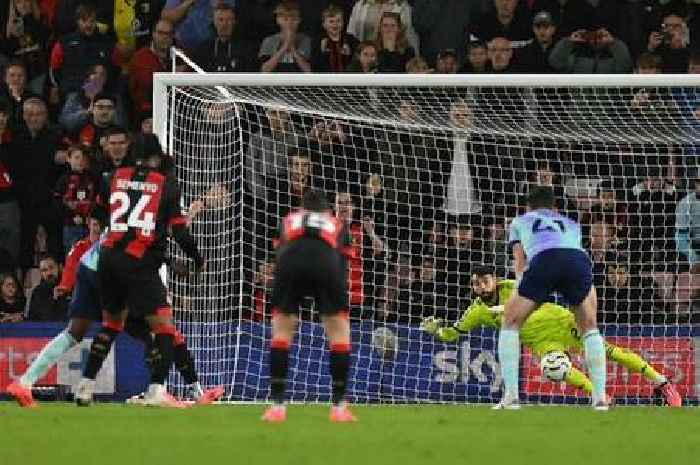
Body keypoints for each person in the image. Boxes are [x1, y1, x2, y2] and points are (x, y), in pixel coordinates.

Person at [7, 215, 224, 408]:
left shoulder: (131, 209)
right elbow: (145, 244)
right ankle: (168, 392)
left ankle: (25, 383)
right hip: (115, 272)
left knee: (75, 332)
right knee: (160, 330)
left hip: (90, 266)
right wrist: (173, 261)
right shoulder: (150, 220)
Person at [420, 266, 681, 407]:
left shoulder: (513, 286)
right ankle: (600, 396)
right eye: (476, 283)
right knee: (555, 369)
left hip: (558, 321)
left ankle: (662, 384)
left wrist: (503, 308)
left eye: (485, 281)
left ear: (494, 280)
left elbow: (529, 299)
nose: (481, 286)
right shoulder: (476, 311)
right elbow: (454, 333)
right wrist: (438, 330)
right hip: (540, 342)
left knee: (606, 352)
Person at [73, 134, 205, 407]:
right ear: (157, 157)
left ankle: (84, 387)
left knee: (111, 324)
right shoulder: (165, 185)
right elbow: (179, 230)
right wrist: (197, 258)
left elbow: (97, 214)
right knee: (165, 328)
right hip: (139, 263)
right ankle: (157, 390)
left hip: (107, 258)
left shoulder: (113, 177)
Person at [499, 186, 607, 410]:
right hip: (578, 262)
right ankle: (599, 398)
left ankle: (511, 397)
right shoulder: (572, 224)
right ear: (555, 208)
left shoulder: (520, 221)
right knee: (590, 327)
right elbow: (575, 252)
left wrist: (523, 291)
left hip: (544, 260)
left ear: (528, 207)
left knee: (510, 322)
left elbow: (519, 261)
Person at [261, 189, 356, 423]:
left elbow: (277, 250)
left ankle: (277, 407)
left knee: (282, 331)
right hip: (326, 263)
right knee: (338, 332)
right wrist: (335, 298)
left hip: (290, 261)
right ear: (327, 210)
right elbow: (344, 259)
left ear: (301, 209)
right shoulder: (336, 223)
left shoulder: (288, 220)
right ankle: (339, 407)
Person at [54, 145, 97, 254]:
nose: (80, 161)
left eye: (83, 158)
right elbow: (57, 202)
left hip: (90, 227)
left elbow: (96, 200)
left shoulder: (92, 178)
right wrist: (71, 217)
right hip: (71, 227)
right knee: (73, 256)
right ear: (68, 159)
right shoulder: (63, 179)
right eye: (77, 157)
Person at [193, 3, 256, 73]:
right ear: (214, 22)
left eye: (229, 20)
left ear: (234, 22)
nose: (224, 24)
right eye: (220, 20)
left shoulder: (246, 49)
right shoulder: (203, 50)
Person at [548, 25, 632, 74]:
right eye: (591, 36)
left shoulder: (613, 55)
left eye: (599, 37)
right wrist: (568, 42)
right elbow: (555, 63)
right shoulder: (576, 55)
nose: (595, 41)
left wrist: (614, 43)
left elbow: (625, 66)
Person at [161, 0, 235, 53]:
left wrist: (217, 4)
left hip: (212, 49)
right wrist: (188, 2)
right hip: (182, 48)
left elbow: (227, 17)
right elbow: (166, 18)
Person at [258, 1, 312, 73]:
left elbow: (309, 71)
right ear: (278, 20)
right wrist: (285, 46)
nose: (289, 23)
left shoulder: (306, 40)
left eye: (294, 19)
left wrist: (292, 48)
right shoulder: (269, 41)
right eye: (285, 19)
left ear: (299, 20)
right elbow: (264, 70)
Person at [311, 4, 357, 73]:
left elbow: (357, 63)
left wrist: (349, 54)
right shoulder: (318, 41)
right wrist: (322, 53)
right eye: (331, 21)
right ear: (324, 25)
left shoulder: (351, 40)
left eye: (338, 21)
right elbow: (314, 66)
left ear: (343, 23)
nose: (335, 24)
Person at [27, 254, 69, 321]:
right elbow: (33, 319)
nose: (49, 273)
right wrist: (54, 299)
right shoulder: (38, 292)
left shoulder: (72, 287)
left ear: (60, 267)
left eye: (51, 268)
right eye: (44, 270)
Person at [675, 177, 700, 272]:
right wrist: (694, 261)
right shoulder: (685, 204)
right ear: (696, 184)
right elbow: (680, 239)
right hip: (692, 253)